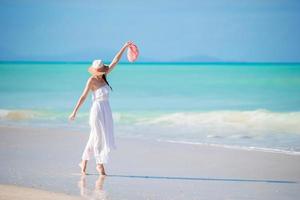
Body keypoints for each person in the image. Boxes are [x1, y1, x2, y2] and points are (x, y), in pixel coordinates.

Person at [69, 41, 132, 175]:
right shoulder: (91, 80)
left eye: (100, 71)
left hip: (106, 110)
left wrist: (124, 47)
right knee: (98, 137)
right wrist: (74, 111)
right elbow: (83, 97)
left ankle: (83, 162)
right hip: (96, 110)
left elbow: (115, 60)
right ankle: (99, 164)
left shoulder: (105, 75)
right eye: (97, 71)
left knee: (94, 137)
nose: (99, 73)